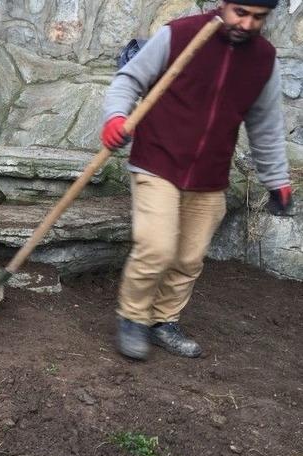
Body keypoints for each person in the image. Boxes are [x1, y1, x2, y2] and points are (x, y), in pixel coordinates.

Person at [100, 0, 294, 360]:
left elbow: (266, 126)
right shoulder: (179, 35)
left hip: (209, 175)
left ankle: (163, 321)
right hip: (157, 162)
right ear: (224, 4)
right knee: (156, 247)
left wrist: (277, 180)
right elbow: (129, 79)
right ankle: (133, 317)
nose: (248, 24)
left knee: (189, 258)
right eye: (241, 12)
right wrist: (115, 117)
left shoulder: (263, 60)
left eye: (259, 18)